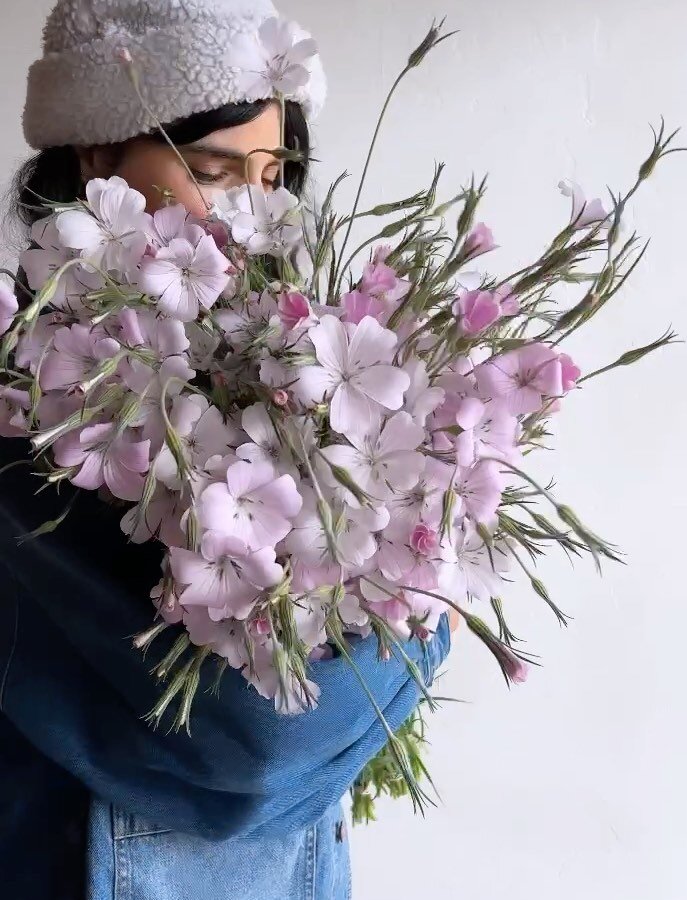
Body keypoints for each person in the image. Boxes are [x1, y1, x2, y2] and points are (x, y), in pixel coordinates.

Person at [0, 2, 454, 899]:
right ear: (97, 157)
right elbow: (251, 745)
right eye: (211, 169)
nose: (252, 212)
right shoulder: (31, 414)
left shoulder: (279, 370)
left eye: (274, 173)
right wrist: (420, 632)